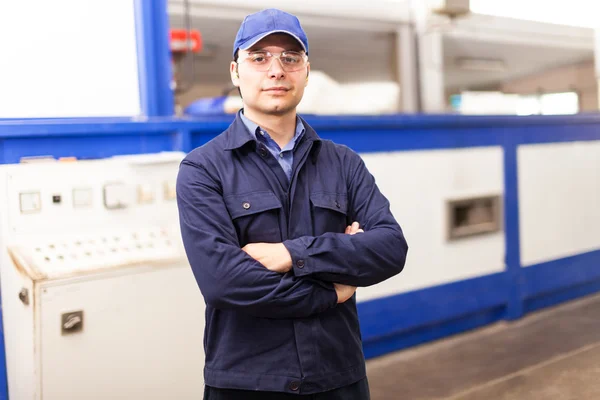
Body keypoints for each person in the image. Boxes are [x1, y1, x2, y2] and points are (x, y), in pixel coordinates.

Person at [176, 8, 408, 400]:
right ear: (236, 72)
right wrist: (332, 291)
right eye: (259, 57)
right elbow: (225, 283)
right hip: (247, 383)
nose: (276, 69)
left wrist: (292, 253)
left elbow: (389, 249)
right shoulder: (203, 168)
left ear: (305, 70)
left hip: (338, 377)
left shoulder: (343, 162)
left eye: (290, 57)